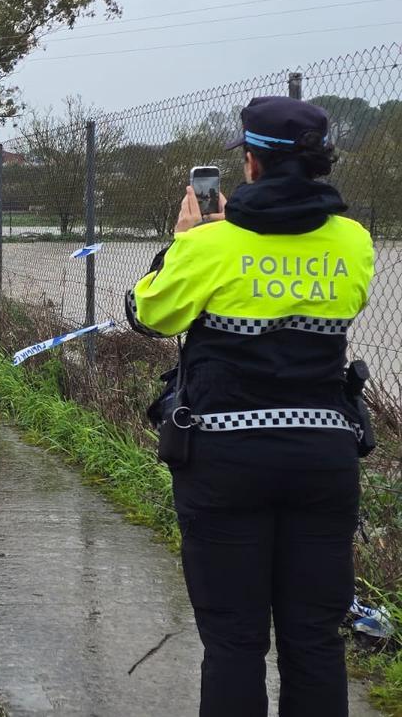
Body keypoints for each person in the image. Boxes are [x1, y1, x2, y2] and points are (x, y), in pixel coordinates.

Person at [125, 96, 375, 717]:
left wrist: (183, 242)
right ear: (318, 164)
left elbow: (149, 315)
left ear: (251, 165)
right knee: (315, 639)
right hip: (324, 457)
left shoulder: (212, 243)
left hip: (224, 459)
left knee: (234, 640)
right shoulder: (354, 241)